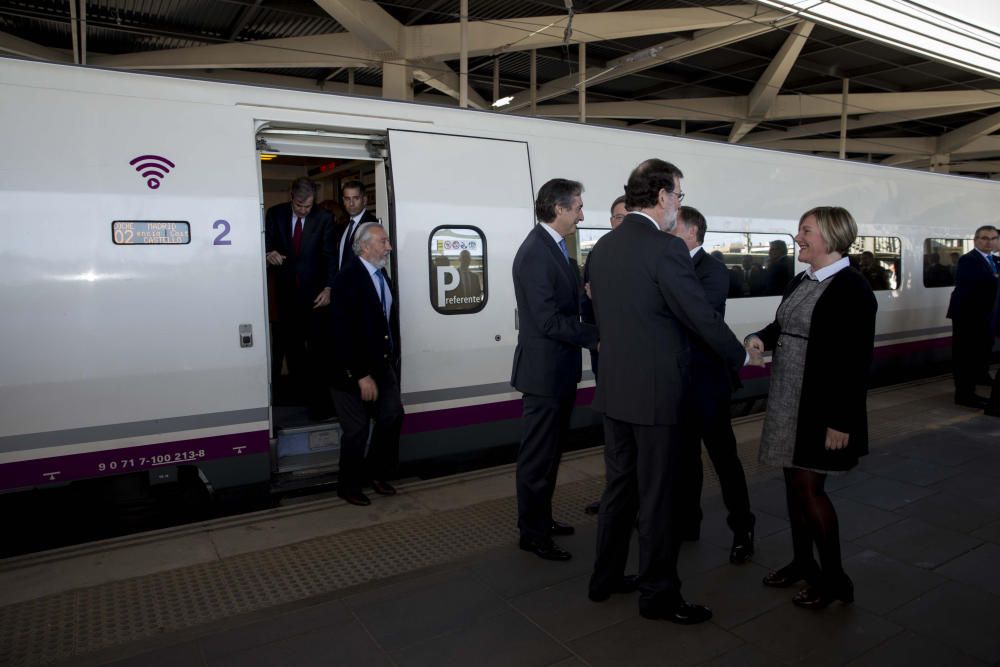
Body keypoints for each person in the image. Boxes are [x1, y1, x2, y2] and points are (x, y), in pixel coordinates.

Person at [587, 159, 749, 624]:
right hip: (656, 395)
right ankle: (658, 594)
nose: (679, 202)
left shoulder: (604, 247)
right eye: (678, 194)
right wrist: (740, 357)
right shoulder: (665, 249)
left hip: (615, 391)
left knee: (620, 489)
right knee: (658, 497)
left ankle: (605, 578)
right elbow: (698, 315)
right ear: (661, 196)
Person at [746, 206, 876, 610]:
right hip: (791, 400)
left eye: (805, 231)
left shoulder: (851, 288)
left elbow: (855, 363)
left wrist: (841, 421)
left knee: (809, 489)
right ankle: (804, 563)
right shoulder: (803, 280)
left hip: (822, 409)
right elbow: (782, 325)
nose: (797, 237)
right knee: (794, 488)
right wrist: (759, 340)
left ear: (831, 238)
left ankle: (836, 580)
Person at [511, 178, 599, 561]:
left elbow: (566, 301)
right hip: (545, 374)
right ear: (559, 208)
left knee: (550, 455)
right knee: (538, 458)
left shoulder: (553, 248)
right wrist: (596, 337)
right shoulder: (536, 253)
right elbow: (547, 321)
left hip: (557, 371)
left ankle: (541, 520)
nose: (582, 213)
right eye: (578, 206)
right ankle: (532, 533)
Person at [669, 205, 755, 564]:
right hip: (679, 381)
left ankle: (743, 528)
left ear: (691, 232)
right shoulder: (671, 266)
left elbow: (697, 316)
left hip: (707, 381)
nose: (666, 234)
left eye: (672, 229)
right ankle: (689, 521)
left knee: (724, 459)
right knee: (685, 458)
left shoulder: (713, 271)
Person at [329, 223, 403, 507]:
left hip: (381, 366)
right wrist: (360, 375)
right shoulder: (348, 278)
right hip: (350, 370)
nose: (389, 247)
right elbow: (341, 333)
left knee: (392, 415)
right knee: (357, 428)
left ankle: (375, 473)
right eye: (384, 241)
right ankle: (348, 486)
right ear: (364, 246)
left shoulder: (382, 276)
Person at [264, 177, 336, 417]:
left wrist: (329, 288)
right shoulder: (274, 214)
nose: (304, 211)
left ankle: (321, 405)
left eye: (308, 207)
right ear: (291, 197)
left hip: (316, 297)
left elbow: (329, 256)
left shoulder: (323, 218)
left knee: (319, 352)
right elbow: (265, 245)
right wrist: (268, 254)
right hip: (286, 297)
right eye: (299, 206)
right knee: (293, 352)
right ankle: (299, 400)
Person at [582, 196, 627, 516]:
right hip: (606, 360)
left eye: (626, 216)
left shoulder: (653, 251)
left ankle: (638, 499)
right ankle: (616, 495)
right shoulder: (599, 251)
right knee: (614, 438)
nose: (619, 222)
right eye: (615, 217)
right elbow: (586, 303)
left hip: (637, 363)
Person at [947, 225, 999, 408]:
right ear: (975, 240)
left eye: (993, 238)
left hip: (986, 315)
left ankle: (980, 379)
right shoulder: (968, 260)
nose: (989, 242)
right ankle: (964, 395)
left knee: (981, 351)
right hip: (967, 316)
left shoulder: (994, 260)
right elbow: (983, 282)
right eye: (984, 238)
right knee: (965, 356)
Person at [337, 180, 380, 273]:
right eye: (347, 199)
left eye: (356, 198)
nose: (351, 203)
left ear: (364, 200)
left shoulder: (372, 225)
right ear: (343, 201)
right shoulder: (343, 225)